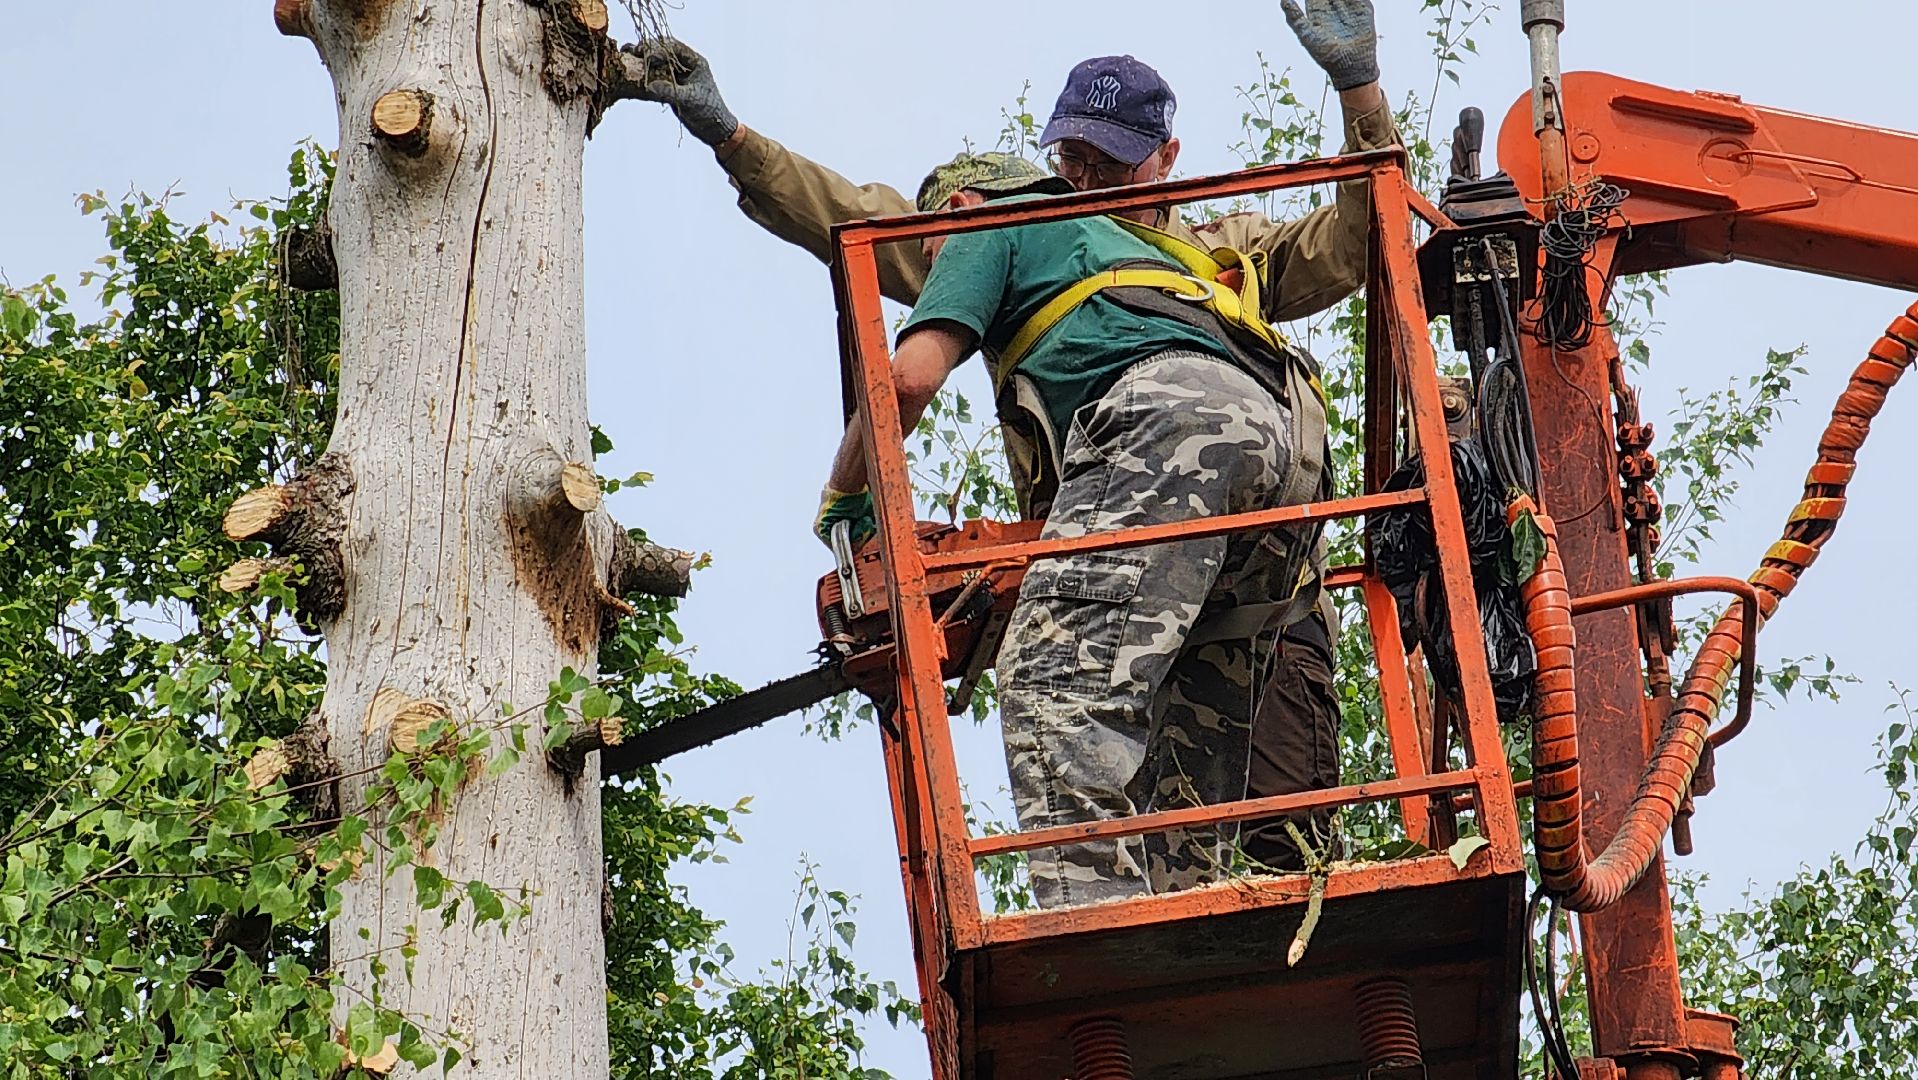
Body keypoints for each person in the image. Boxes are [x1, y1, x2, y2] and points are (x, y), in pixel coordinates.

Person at [615, 0, 1394, 870]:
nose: (1086, 180)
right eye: (1071, 158)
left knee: (1280, 836)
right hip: (1134, 540)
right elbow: (862, 221)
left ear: (1167, 159)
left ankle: (1146, 922)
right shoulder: (1023, 227)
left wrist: (1360, 94)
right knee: (1172, 837)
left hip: (1252, 581)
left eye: (1110, 163)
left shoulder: (1221, 252)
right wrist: (731, 137)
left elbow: (1359, 238)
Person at [814, 151, 1328, 906]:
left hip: (1172, 425)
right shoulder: (1125, 248)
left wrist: (844, 497)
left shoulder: (987, 222)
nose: (934, 268)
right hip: (1289, 468)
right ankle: (1195, 922)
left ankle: (1104, 937)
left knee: (1049, 683)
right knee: (1180, 747)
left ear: (957, 205)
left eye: (928, 253)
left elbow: (909, 377)